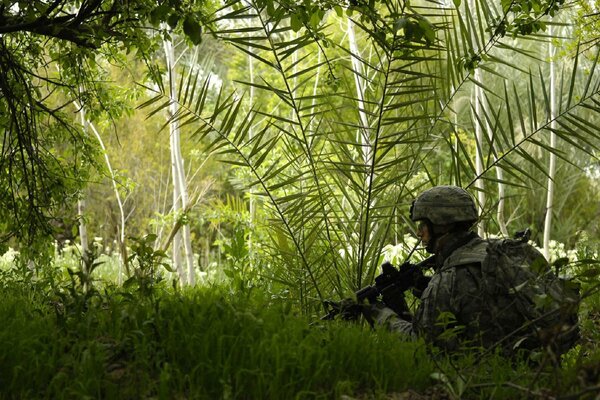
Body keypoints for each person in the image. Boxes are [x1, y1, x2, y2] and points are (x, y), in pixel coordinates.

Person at [370, 185, 579, 357]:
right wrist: (425, 287)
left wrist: (380, 314)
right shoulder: (511, 250)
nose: (419, 234)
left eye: (423, 227)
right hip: (540, 364)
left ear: (440, 225)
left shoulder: (447, 280)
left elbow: (420, 343)